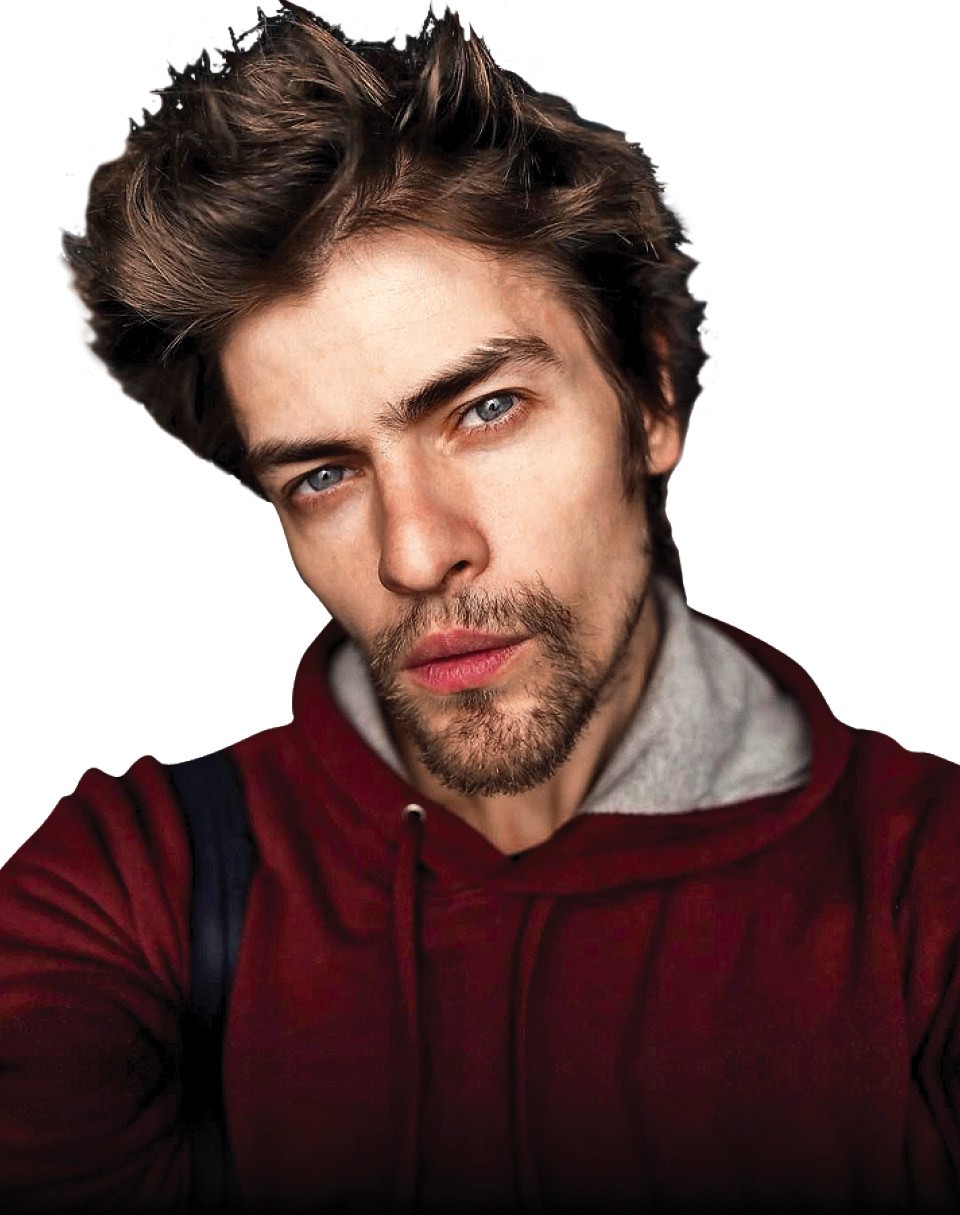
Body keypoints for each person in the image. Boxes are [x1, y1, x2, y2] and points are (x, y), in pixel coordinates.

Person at [1, 4, 958, 1212]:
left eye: (485, 410)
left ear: (652, 399)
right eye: (324, 475)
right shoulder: (143, 883)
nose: (415, 553)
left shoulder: (928, 888)